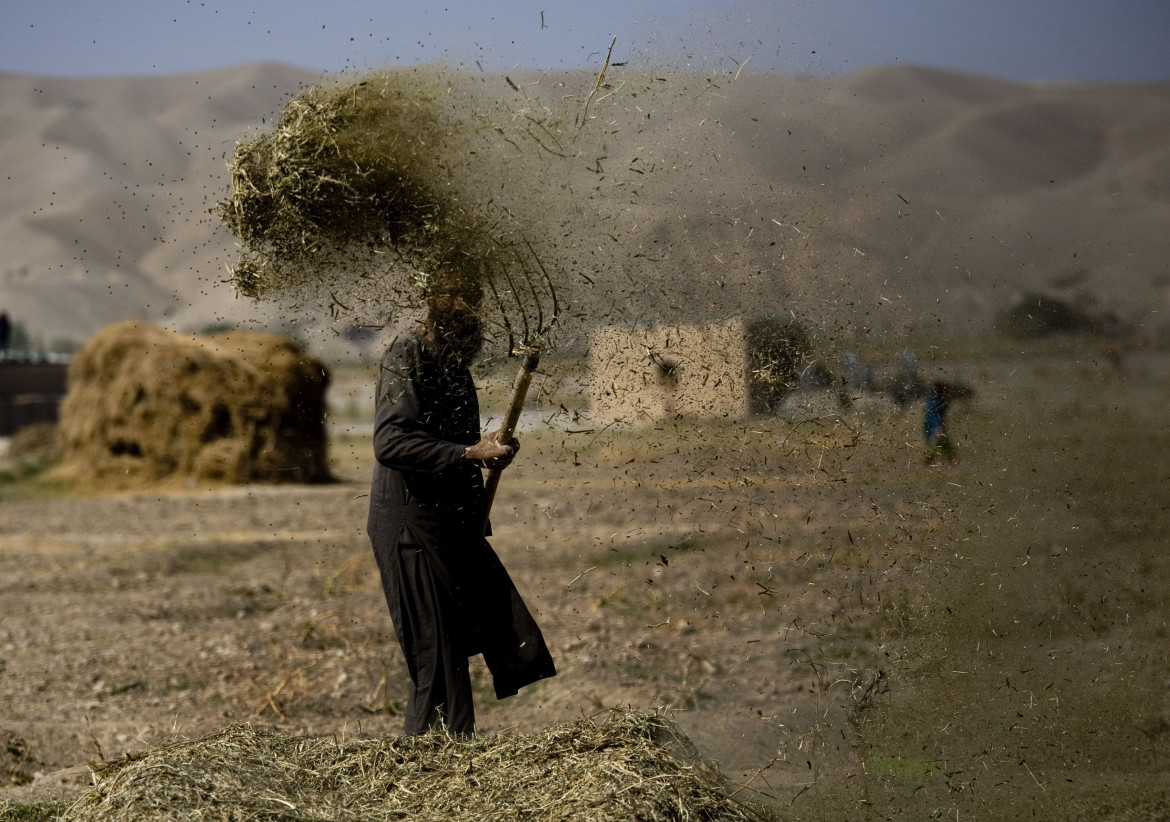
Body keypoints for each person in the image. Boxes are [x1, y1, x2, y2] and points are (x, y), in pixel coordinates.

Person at [366, 285, 556, 736]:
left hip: (451, 524)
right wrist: (469, 453)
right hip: (413, 530)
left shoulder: (452, 365)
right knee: (436, 663)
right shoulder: (406, 351)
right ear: (439, 311)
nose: (475, 324)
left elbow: (449, 443)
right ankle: (429, 774)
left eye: (477, 313)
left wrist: (486, 450)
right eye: (465, 313)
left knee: (508, 635)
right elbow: (390, 441)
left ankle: (450, 759)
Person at [922, 380, 957, 464]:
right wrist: (938, 428)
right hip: (935, 427)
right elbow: (935, 416)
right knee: (941, 446)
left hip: (931, 426)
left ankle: (951, 462)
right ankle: (952, 463)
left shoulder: (932, 400)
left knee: (937, 447)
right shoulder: (936, 401)